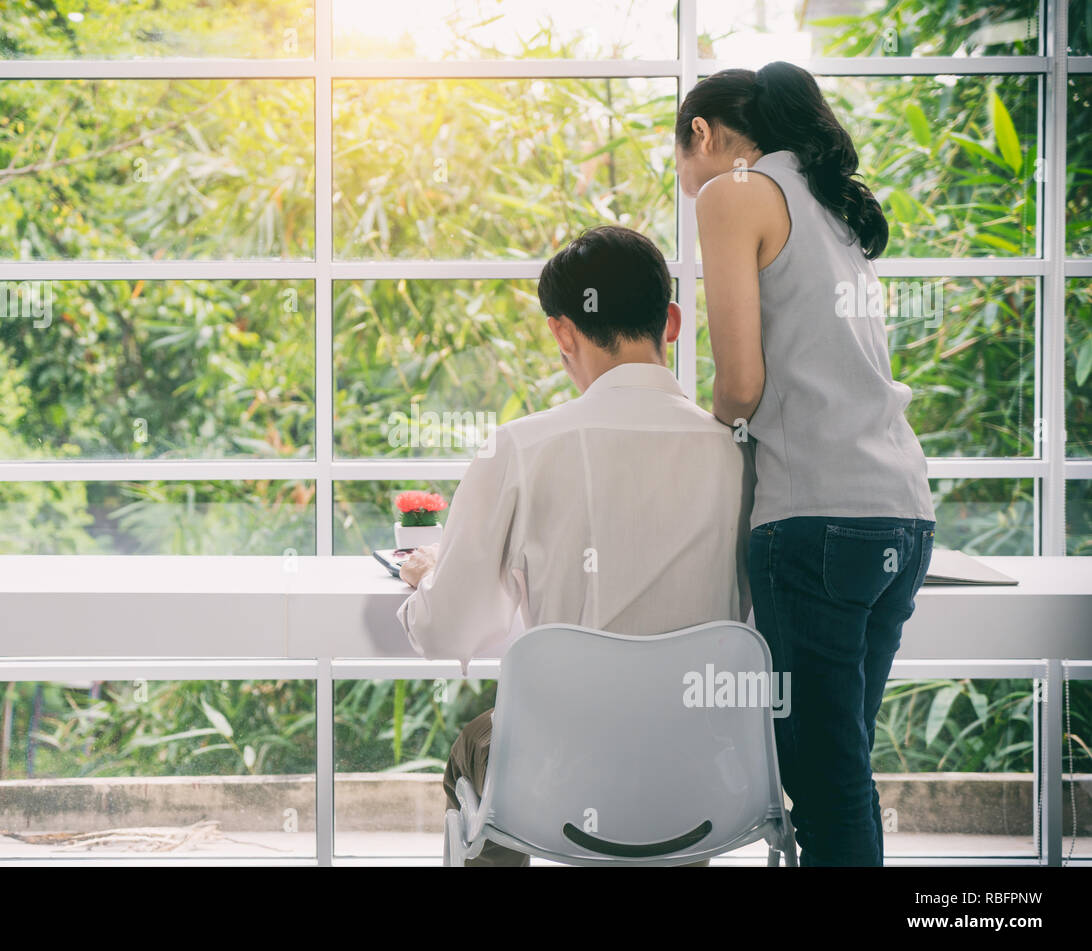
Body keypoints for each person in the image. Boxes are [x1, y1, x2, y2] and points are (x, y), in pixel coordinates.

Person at [395, 225, 753, 866]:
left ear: (563, 331)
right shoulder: (742, 457)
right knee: (673, 751)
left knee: (478, 742)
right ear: (670, 322)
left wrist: (427, 578)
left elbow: (451, 629)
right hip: (705, 790)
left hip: (556, 785)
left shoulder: (522, 447)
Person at [675, 61, 936, 867]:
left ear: (702, 136)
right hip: (901, 513)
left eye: (680, 163)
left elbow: (742, 387)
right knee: (843, 773)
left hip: (816, 520)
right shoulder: (830, 204)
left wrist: (690, 429)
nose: (687, 184)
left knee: (824, 787)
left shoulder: (734, 192)